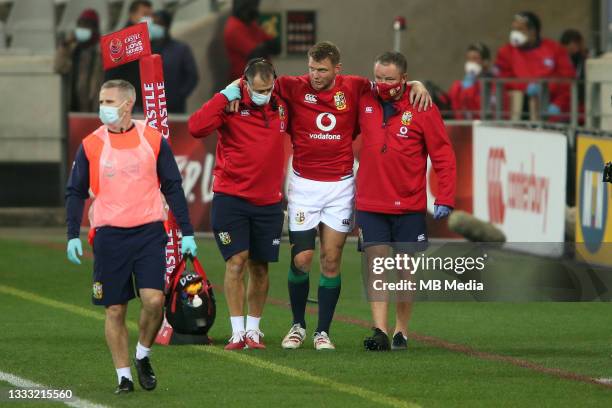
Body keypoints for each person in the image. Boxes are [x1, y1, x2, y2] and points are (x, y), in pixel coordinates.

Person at [228, 41, 432, 350]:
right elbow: (253, 79)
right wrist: (230, 92)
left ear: (337, 69)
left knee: (331, 260)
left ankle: (323, 331)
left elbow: (391, 85)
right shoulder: (293, 86)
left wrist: (417, 84)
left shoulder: (356, 87)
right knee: (302, 258)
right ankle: (297, 325)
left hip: (339, 186)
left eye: (321, 70)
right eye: (311, 68)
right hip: (303, 184)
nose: (315, 75)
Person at [65, 79, 197, 394]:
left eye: (109, 102)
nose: (103, 108)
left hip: (150, 232)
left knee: (154, 301)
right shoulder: (90, 144)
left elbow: (173, 186)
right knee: (116, 309)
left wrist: (188, 231)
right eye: (101, 101)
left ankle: (143, 355)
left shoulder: (152, 139)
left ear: (127, 104)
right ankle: (123, 376)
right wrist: (72, 234)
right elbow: (75, 191)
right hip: (109, 236)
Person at [356, 51, 456, 351]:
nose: (382, 84)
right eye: (378, 78)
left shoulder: (422, 107)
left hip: (409, 204)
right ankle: (379, 331)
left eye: (389, 79)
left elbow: (443, 154)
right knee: (375, 266)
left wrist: (445, 196)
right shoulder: (364, 98)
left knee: (404, 270)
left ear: (403, 79)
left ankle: (401, 331)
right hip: (371, 201)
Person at [188, 59, 287, 350]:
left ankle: (254, 331)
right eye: (258, 90)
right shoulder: (230, 104)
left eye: (268, 89)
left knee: (260, 267)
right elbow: (195, 127)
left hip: (268, 201)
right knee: (236, 261)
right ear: (244, 83)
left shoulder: (282, 104)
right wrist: (224, 96)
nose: (263, 94)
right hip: (231, 197)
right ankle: (236, 331)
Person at [494, 11, 575, 119]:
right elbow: (502, 79)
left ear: (533, 31)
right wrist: (524, 86)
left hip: (551, 111)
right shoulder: (506, 52)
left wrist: (559, 104)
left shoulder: (554, 49)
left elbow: (568, 80)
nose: (515, 33)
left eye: (520, 29)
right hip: (518, 113)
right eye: (513, 29)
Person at [104, 0, 154, 112]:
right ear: (132, 15)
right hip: (128, 104)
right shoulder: (120, 40)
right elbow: (111, 76)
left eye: (151, 15)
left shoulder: (148, 38)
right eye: (145, 14)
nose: (149, 19)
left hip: (147, 102)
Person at [54, 9, 103, 112]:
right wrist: (65, 45)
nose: (82, 28)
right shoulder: (74, 49)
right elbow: (59, 68)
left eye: (86, 25)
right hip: (73, 105)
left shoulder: (100, 51)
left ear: (94, 28)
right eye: (80, 25)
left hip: (94, 107)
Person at [150, 10, 199, 113]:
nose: (154, 27)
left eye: (159, 24)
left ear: (166, 26)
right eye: (153, 24)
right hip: (149, 106)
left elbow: (192, 76)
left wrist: (179, 96)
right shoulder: (146, 50)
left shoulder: (180, 49)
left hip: (175, 107)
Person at [223, 0, 280, 82]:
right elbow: (256, 55)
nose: (254, 9)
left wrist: (265, 46)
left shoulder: (250, 23)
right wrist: (266, 47)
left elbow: (276, 47)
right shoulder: (234, 28)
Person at [447, 42, 493, 119]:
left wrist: (470, 89)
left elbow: (482, 111)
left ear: (485, 62)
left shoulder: (493, 85)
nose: (471, 62)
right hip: (461, 127)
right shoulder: (458, 86)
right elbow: (454, 110)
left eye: (475, 58)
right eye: (468, 59)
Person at [560, 29, 587, 107]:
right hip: (562, 98)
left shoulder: (581, 59)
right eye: (576, 44)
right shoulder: (558, 58)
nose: (578, 47)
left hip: (578, 99)